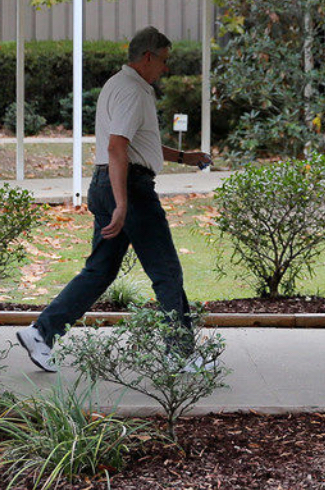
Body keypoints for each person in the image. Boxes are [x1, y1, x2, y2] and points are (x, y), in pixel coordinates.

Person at [17, 27, 211, 373]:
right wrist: (123, 204)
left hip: (108, 182)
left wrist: (184, 156)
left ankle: (41, 334)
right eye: (163, 61)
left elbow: (135, 143)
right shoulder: (134, 92)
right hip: (129, 187)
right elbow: (117, 147)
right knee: (166, 271)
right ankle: (180, 353)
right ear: (147, 57)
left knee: (100, 270)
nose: (165, 69)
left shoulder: (117, 85)